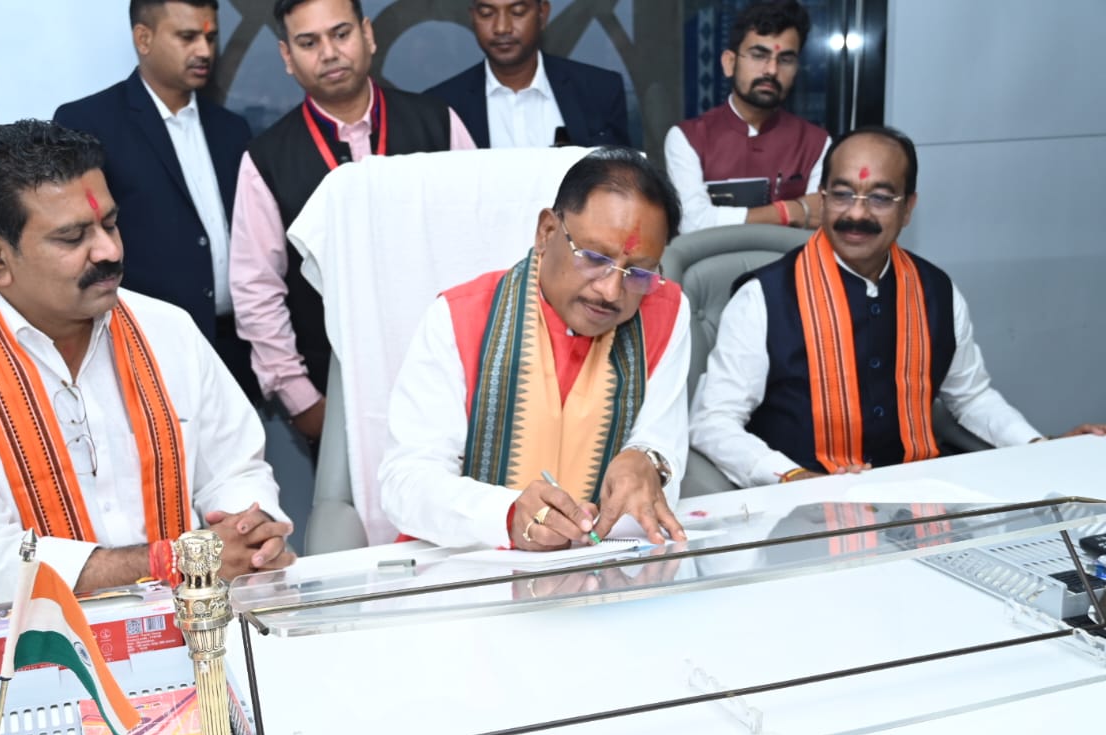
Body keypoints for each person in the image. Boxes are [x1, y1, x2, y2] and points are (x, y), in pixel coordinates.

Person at [0, 120, 293, 611]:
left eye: (110, 224)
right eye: (73, 238)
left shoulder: (168, 330)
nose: (110, 251)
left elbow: (234, 469)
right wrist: (170, 561)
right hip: (25, 656)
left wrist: (249, 531)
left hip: (196, 627)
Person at [688, 126, 1106, 488]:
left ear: (908, 208)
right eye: (843, 194)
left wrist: (1040, 448)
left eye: (881, 198)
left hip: (919, 503)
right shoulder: (763, 298)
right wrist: (790, 477)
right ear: (822, 200)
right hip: (800, 512)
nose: (857, 213)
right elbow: (712, 423)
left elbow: (971, 397)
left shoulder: (936, 290)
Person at [379, 147, 690, 550]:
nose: (611, 291)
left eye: (638, 272)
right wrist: (505, 515)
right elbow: (405, 481)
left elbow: (662, 439)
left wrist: (647, 461)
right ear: (546, 233)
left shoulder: (664, 309)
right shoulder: (458, 318)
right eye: (594, 258)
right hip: (469, 571)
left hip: (602, 575)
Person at [229, 0, 475, 447]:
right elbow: (256, 291)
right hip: (336, 393)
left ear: (368, 34)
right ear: (288, 57)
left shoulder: (438, 123)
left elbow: (480, 248)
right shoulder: (266, 160)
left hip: (449, 381)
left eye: (340, 34)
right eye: (308, 42)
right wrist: (302, 400)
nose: (329, 52)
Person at [53, 0, 261, 404]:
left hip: (234, 354)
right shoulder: (89, 122)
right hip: (139, 354)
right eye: (187, 36)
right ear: (143, 38)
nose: (204, 50)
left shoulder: (232, 129)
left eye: (210, 36)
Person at [664, 0, 829, 234]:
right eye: (759, 55)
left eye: (785, 60)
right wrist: (789, 211)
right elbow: (693, 224)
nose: (771, 70)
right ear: (729, 63)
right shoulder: (687, 138)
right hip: (709, 268)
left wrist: (722, 216)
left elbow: (816, 227)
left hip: (791, 268)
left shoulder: (817, 143)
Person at [424, 0, 630, 149]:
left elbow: (620, 181)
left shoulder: (599, 90)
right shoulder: (441, 106)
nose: (502, 27)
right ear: (473, 17)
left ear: (543, 14)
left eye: (518, 12)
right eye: (487, 13)